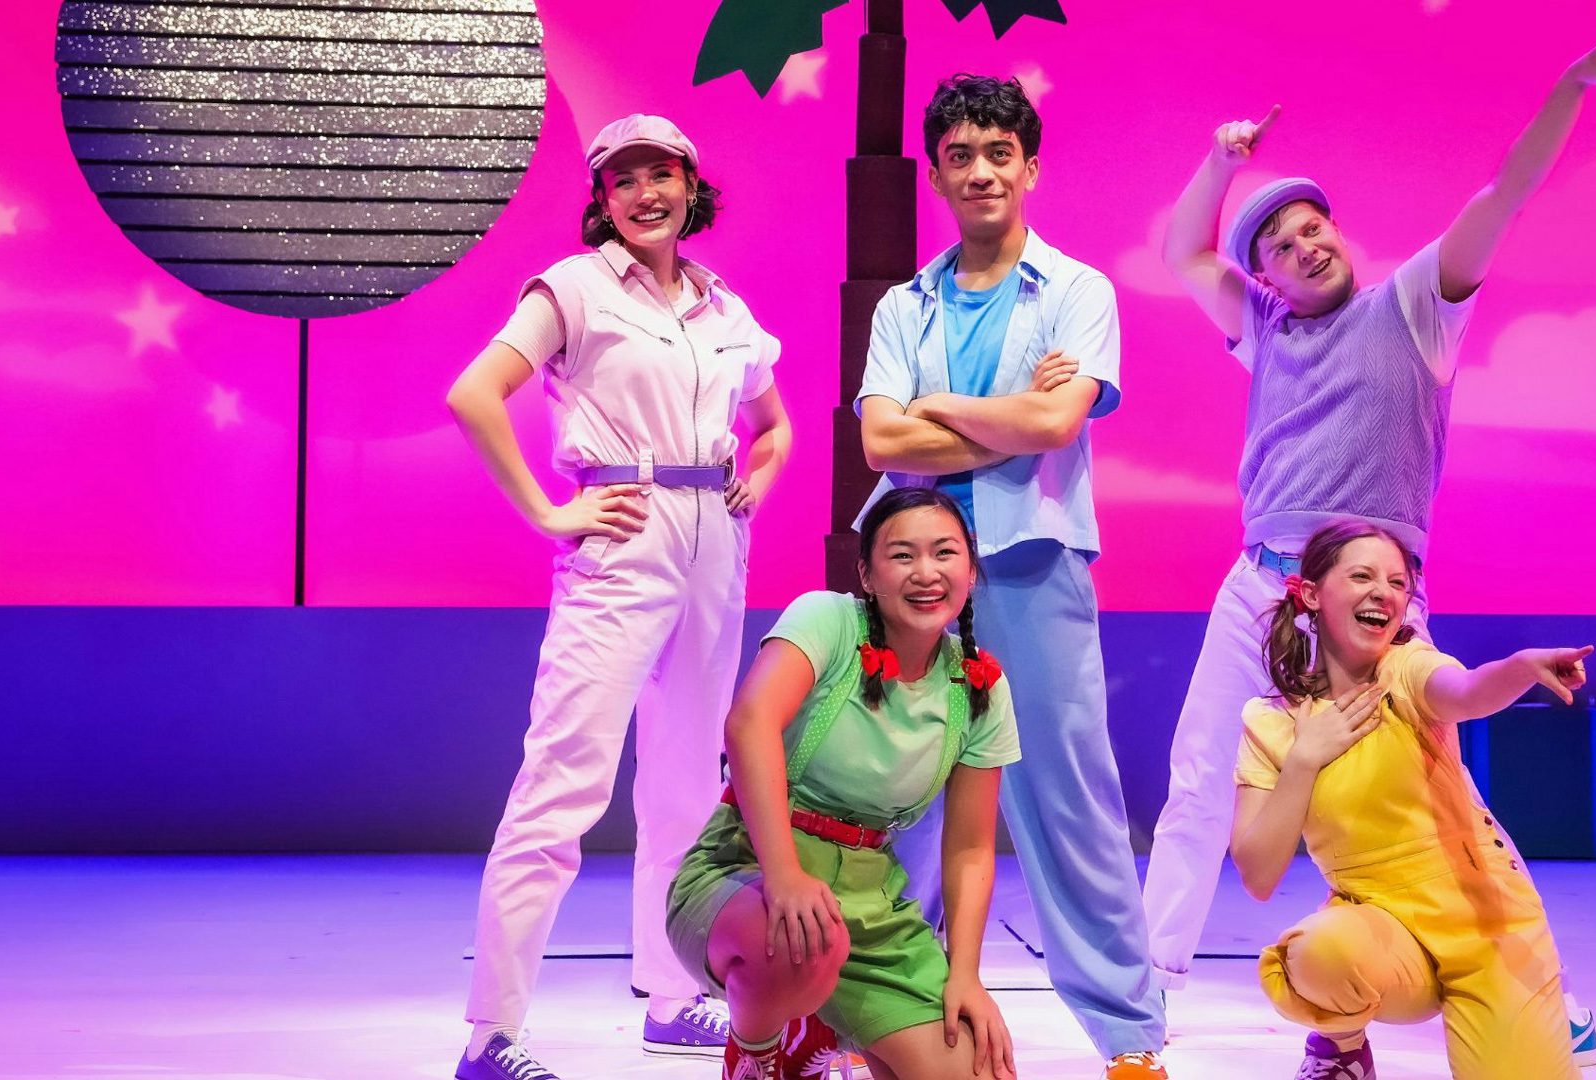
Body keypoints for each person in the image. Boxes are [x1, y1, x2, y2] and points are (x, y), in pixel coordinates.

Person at [1141, 15, 1596, 1068]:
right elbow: (1185, 248)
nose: (1301, 245)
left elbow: (1501, 196)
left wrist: (1571, 86)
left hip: (1371, 603)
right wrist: (1220, 160)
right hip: (1259, 590)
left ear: (1340, 233)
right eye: (1278, 245)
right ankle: (1152, 984)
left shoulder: (1413, 310)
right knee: (1200, 779)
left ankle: (1539, 983)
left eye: (1312, 226)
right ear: (1267, 279)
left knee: (1424, 799)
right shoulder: (1266, 334)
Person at [446, 113, 792, 1080]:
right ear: (601, 198)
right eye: (623, 178)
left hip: (713, 546)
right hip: (623, 536)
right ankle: (491, 1032)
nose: (645, 192)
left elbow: (773, 425)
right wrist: (550, 514)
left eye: (662, 174)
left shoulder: (725, 309)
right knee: (564, 780)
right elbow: (474, 394)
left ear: (690, 186)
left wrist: (758, 475)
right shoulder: (575, 289)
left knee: (689, 779)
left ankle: (676, 994)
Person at [855, 74, 1169, 1079]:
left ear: (1030, 167)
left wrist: (937, 409)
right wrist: (998, 415)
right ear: (939, 174)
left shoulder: (1077, 291)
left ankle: (1129, 1035)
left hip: (1034, 569)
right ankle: (886, 1020)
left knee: (1070, 797)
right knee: (896, 789)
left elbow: (1054, 426)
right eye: (960, 156)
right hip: (913, 566)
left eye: (1000, 153)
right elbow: (876, 440)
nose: (981, 171)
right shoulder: (906, 302)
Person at [667, 486, 1019, 1080]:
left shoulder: (979, 687)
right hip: (748, 869)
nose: (926, 573)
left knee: (983, 1068)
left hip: (873, 908)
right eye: (902, 555)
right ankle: (760, 1056)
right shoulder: (827, 621)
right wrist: (783, 877)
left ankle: (825, 1023)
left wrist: (965, 973)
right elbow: (748, 726)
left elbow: (969, 848)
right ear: (867, 573)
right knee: (808, 941)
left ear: (971, 567)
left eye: (945, 553)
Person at [1230, 520, 1593, 1079]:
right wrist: (1305, 758)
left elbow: (1469, 692)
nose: (1384, 592)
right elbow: (1257, 875)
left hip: (1487, 926)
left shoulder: (1409, 668)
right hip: (1383, 930)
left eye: (1398, 583)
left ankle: (1554, 1020)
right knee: (1315, 956)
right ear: (1310, 595)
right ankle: (1341, 1049)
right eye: (1361, 576)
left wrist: (1520, 668)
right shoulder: (1270, 722)